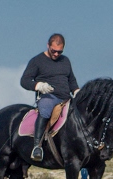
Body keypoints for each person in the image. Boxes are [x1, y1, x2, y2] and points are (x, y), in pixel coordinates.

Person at [21, 33, 80, 162]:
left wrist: (76, 91)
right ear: (48, 45)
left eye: (60, 52)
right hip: (49, 97)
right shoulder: (37, 61)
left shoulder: (65, 61)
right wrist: (38, 85)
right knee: (46, 108)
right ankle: (37, 146)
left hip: (66, 97)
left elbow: (71, 80)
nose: (56, 54)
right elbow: (24, 81)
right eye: (54, 51)